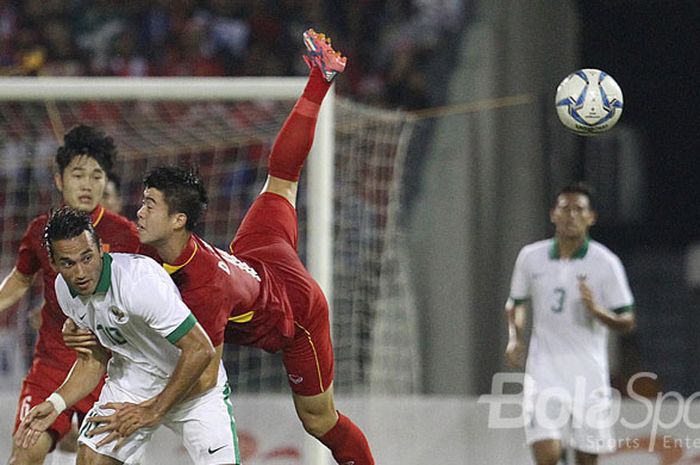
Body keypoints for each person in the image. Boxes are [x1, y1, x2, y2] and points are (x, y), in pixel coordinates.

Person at [64, 27, 373, 465]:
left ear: (179, 220)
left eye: (149, 204)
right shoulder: (152, 243)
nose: (139, 212)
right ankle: (319, 80)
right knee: (282, 180)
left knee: (318, 420)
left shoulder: (205, 287)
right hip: (261, 251)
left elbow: (205, 373)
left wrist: (147, 411)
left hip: (296, 310)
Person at [15, 207, 240, 465]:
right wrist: (55, 404)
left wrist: (153, 410)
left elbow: (201, 350)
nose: (80, 272)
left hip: (192, 382)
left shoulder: (138, 283)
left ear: (101, 249)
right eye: (68, 263)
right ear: (54, 264)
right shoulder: (65, 292)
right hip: (133, 381)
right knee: (91, 460)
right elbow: (92, 361)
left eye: (87, 257)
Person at [0, 125, 143, 465]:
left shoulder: (126, 235)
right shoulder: (40, 231)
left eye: (97, 176)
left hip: (109, 371)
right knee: (24, 455)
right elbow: (20, 281)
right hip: (52, 365)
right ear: (59, 179)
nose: (88, 184)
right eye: (78, 174)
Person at [504, 182, 636, 465]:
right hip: (543, 374)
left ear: (591, 218)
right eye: (565, 208)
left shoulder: (605, 263)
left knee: (586, 460)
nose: (571, 215)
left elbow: (627, 320)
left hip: (588, 377)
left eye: (579, 209)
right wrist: (514, 337)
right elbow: (516, 302)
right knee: (547, 456)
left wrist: (597, 311)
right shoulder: (531, 257)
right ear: (553, 214)